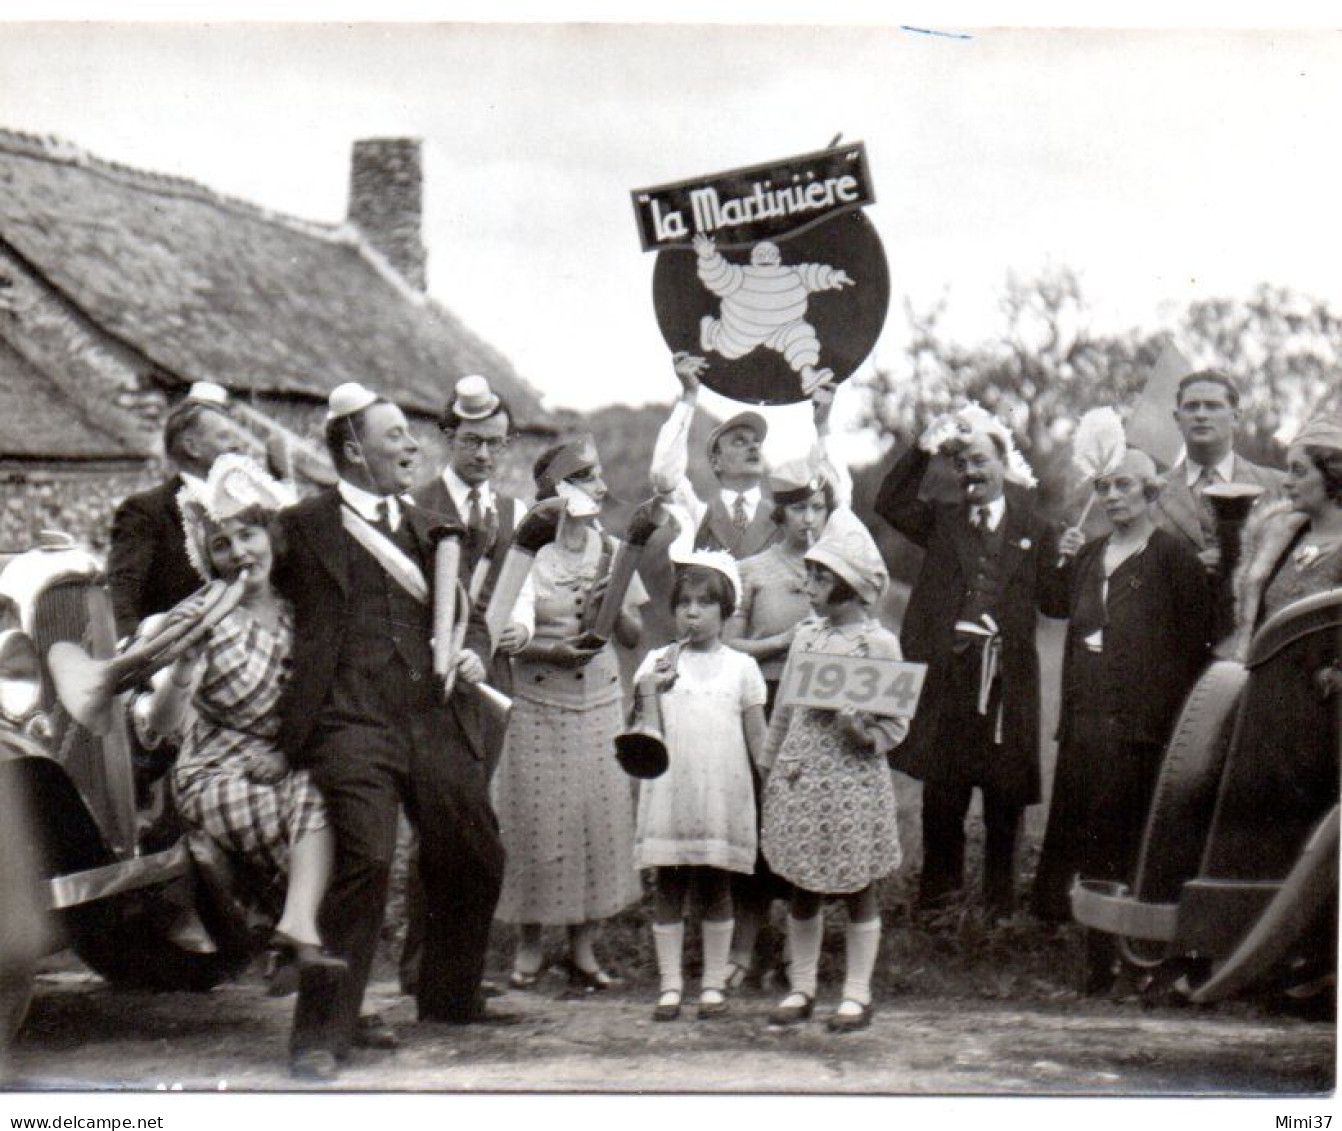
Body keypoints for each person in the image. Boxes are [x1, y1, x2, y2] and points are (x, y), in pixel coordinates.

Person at [274, 383, 504, 1082]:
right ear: (353, 447)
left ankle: (447, 996)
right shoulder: (300, 524)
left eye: (409, 433)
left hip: (429, 713)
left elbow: (471, 615)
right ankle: (319, 1034)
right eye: (396, 434)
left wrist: (474, 653)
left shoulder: (432, 523)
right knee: (366, 860)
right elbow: (253, 588)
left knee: (475, 846)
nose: (412, 445)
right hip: (349, 721)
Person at [132, 455, 346, 986]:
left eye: (247, 535)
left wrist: (286, 754)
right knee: (311, 816)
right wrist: (184, 667)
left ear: (271, 535)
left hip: (282, 761)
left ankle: (294, 939)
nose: (238, 553)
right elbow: (159, 726)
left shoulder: (302, 613)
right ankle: (300, 943)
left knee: (335, 809)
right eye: (221, 546)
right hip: (214, 768)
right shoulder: (199, 616)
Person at [1031, 448, 1213, 989]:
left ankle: (1139, 961)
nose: (1112, 497)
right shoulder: (1090, 553)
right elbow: (1055, 606)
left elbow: (1196, 644)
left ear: (1150, 492)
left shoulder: (1172, 557)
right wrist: (1060, 561)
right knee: (1086, 837)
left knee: (1127, 841)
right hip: (1085, 720)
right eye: (1105, 487)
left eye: (1124, 486)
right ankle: (1096, 964)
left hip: (1140, 727)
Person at [874, 404, 1058, 918]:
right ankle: (937, 909)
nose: (971, 472)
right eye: (963, 465)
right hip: (948, 680)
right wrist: (923, 448)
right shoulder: (941, 521)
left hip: (1006, 686)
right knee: (943, 800)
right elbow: (889, 501)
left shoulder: (1038, 530)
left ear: (1004, 463)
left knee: (1004, 801)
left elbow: (1057, 603)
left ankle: (998, 915)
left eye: (980, 460)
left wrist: (1068, 556)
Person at [490, 436, 645, 994]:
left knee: (595, 821)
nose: (601, 486)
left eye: (599, 474)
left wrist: (615, 596)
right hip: (536, 699)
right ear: (559, 490)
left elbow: (632, 636)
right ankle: (530, 947)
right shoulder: (529, 549)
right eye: (588, 476)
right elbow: (501, 634)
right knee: (534, 820)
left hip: (598, 700)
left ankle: (583, 948)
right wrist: (545, 651)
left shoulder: (610, 546)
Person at [400, 374, 534, 997]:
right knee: (441, 823)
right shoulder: (418, 504)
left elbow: (525, 587)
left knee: (473, 818)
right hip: (435, 687)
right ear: (447, 437)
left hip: (493, 682)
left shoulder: (512, 514)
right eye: (474, 442)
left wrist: (521, 629)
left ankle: (458, 970)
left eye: (497, 444)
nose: (485, 455)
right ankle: (422, 967)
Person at [759, 508, 907, 1032]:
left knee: (857, 885)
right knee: (803, 884)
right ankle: (802, 988)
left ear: (849, 585)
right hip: (804, 777)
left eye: (822, 577)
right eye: (811, 573)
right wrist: (770, 763)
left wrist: (860, 730)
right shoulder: (806, 638)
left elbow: (894, 725)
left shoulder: (878, 644)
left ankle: (857, 993)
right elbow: (784, 714)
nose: (810, 584)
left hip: (852, 782)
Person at [633, 555, 768, 1022]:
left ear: (726, 612)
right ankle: (670, 986)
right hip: (673, 792)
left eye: (705, 604)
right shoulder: (657, 663)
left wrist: (774, 779)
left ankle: (712, 985)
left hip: (720, 795)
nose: (692, 613)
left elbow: (757, 739)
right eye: (684, 603)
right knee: (669, 886)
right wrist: (654, 688)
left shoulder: (742, 668)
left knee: (716, 886)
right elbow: (645, 730)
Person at [720, 458, 836, 985]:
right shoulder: (753, 571)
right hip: (761, 704)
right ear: (780, 514)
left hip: (817, 708)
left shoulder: (838, 572)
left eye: (818, 507)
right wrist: (782, 642)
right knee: (757, 823)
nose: (809, 519)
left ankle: (797, 957)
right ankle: (742, 952)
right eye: (798, 509)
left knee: (807, 827)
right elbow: (726, 643)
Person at [108, 382, 245, 639]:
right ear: (192, 447)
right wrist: (136, 662)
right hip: (177, 659)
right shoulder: (146, 511)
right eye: (225, 437)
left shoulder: (245, 507)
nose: (238, 446)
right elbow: (122, 597)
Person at [1152, 370, 1284, 636]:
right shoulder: (1150, 492)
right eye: (1191, 407)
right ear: (1177, 419)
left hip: (1256, 642)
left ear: (1236, 417)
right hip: (1173, 643)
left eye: (1213, 406)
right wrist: (1186, 571)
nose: (1201, 414)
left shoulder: (1279, 486)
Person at [1224, 412, 1342, 659]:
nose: (1286, 482)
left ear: (1334, 474)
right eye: (1287, 470)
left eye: (1298, 471)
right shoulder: (1277, 539)